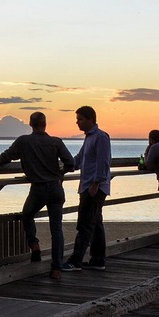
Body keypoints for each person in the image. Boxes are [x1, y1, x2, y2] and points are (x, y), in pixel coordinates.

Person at [0, 111, 75, 280]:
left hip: (38, 189)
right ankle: (57, 269)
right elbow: (71, 163)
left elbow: (3, 159)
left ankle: (34, 245)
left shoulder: (24, 141)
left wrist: (23, 158)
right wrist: (60, 173)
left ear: (30, 124)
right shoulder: (56, 142)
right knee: (57, 229)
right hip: (55, 188)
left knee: (27, 215)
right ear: (45, 124)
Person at [63, 105, 111, 272]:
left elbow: (103, 162)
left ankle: (75, 260)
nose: (77, 122)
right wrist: (64, 166)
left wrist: (96, 184)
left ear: (90, 119)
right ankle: (98, 260)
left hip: (94, 187)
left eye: (80, 119)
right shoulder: (89, 138)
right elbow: (80, 158)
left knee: (85, 224)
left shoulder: (101, 137)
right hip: (87, 185)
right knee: (96, 223)